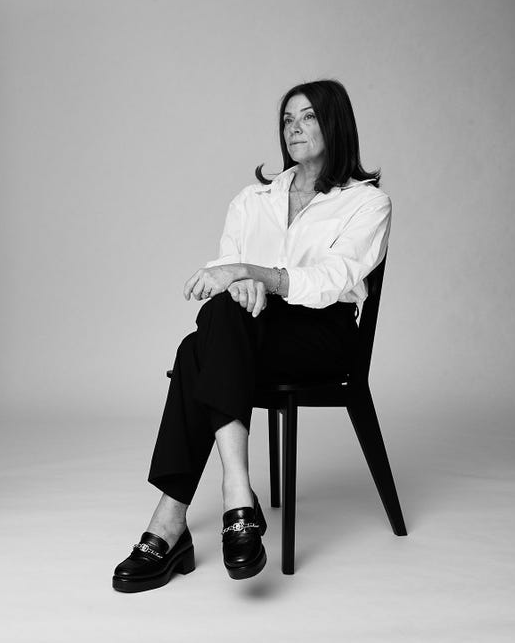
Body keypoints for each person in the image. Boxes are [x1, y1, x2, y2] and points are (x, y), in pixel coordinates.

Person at [112, 79, 391, 593]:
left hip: (321, 338)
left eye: (307, 117)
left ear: (335, 124)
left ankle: (172, 522)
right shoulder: (252, 199)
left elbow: (332, 282)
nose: (294, 128)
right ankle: (236, 496)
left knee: (198, 349)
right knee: (219, 324)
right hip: (249, 330)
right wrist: (243, 284)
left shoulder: (366, 204)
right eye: (287, 119)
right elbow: (225, 274)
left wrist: (254, 275)